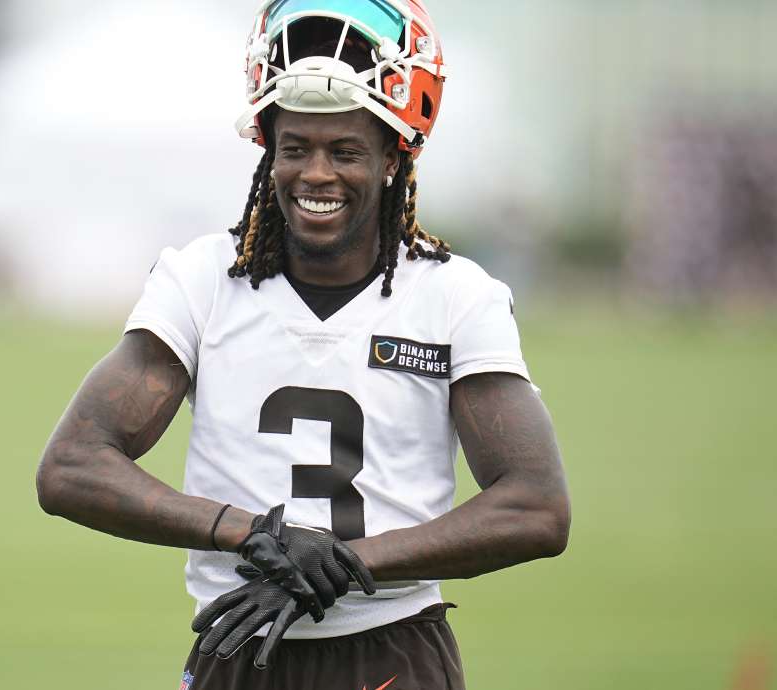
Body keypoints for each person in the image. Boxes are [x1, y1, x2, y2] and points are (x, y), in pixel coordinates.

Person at [36, 2, 570, 688]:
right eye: (295, 149)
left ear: (392, 157)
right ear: (268, 150)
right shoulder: (202, 280)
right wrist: (251, 532)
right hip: (236, 643)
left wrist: (349, 563)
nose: (316, 173)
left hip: (390, 650)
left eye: (345, 151)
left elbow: (536, 506)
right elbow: (72, 466)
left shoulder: (455, 296)